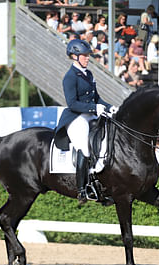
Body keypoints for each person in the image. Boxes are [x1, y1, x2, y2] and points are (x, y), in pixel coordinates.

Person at [54, 40, 117, 205]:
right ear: (75, 56)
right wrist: (95, 108)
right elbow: (72, 104)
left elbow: (97, 98)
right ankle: (82, 190)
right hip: (76, 117)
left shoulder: (88, 74)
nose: (88, 58)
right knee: (85, 147)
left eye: (88, 55)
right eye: (85, 55)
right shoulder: (69, 77)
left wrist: (111, 108)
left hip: (90, 113)